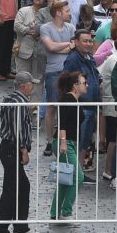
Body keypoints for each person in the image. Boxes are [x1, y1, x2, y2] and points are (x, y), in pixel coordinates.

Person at [0, 72, 37, 233]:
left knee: (22, 186)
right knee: (11, 189)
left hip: (11, 148)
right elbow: (17, 128)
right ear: (24, 85)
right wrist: (23, 150)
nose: (32, 87)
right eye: (31, 84)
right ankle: (1, 230)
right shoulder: (18, 102)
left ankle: (20, 226)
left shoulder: (15, 99)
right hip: (13, 148)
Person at [49, 68, 85, 224]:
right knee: (78, 176)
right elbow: (62, 121)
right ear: (75, 85)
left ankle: (55, 212)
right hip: (65, 142)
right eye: (84, 83)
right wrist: (63, 141)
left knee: (66, 178)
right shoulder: (67, 100)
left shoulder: (75, 100)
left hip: (71, 142)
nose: (87, 85)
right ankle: (66, 211)